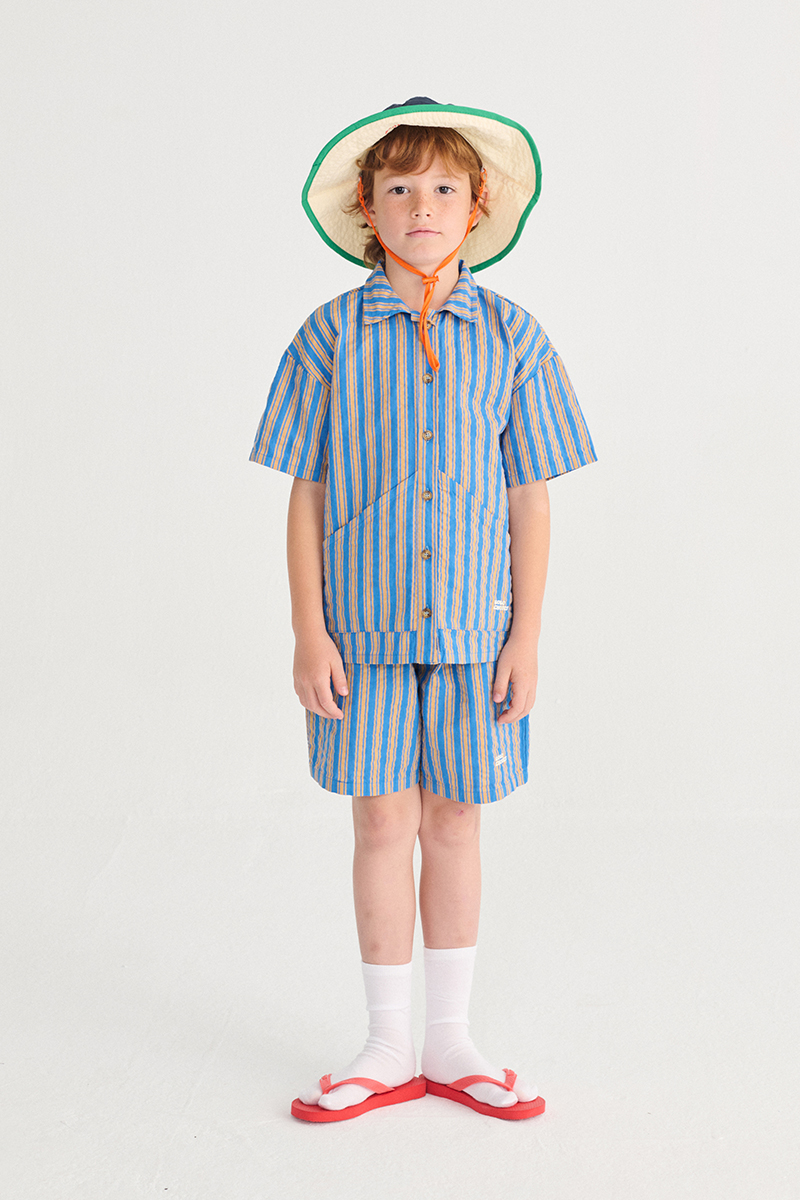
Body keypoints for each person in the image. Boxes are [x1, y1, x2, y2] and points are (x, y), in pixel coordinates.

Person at [249, 98, 597, 1122]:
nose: (421, 206)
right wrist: (308, 630)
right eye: (398, 187)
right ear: (366, 206)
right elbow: (305, 492)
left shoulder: (513, 336)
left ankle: (450, 1040)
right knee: (378, 819)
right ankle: (385, 1043)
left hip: (475, 634)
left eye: (443, 186)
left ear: (477, 204)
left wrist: (526, 635)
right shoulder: (327, 337)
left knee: (455, 817)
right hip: (358, 635)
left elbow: (530, 496)